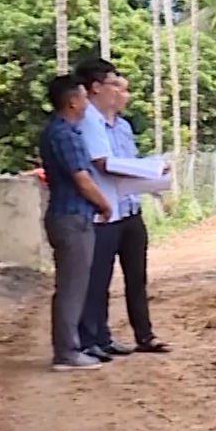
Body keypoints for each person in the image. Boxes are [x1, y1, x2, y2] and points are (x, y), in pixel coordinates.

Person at [38, 75, 115, 371]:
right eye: (83, 98)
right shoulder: (66, 135)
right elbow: (82, 180)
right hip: (73, 218)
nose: (86, 104)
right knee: (72, 287)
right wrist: (105, 204)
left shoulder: (54, 132)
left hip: (64, 215)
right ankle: (67, 352)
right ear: (72, 102)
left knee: (70, 285)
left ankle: (69, 348)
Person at [104, 70, 169, 353]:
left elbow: (130, 164)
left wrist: (154, 177)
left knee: (137, 277)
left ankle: (145, 335)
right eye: (122, 89)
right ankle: (100, 337)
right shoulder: (90, 128)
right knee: (101, 279)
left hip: (130, 209)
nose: (126, 96)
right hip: (107, 212)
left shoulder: (124, 127)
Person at [74, 59, 134, 361]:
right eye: (113, 84)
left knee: (103, 280)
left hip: (112, 208)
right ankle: (88, 339)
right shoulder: (88, 122)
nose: (118, 91)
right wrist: (145, 171)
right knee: (93, 281)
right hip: (98, 210)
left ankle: (101, 336)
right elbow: (102, 162)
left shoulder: (105, 122)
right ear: (95, 88)